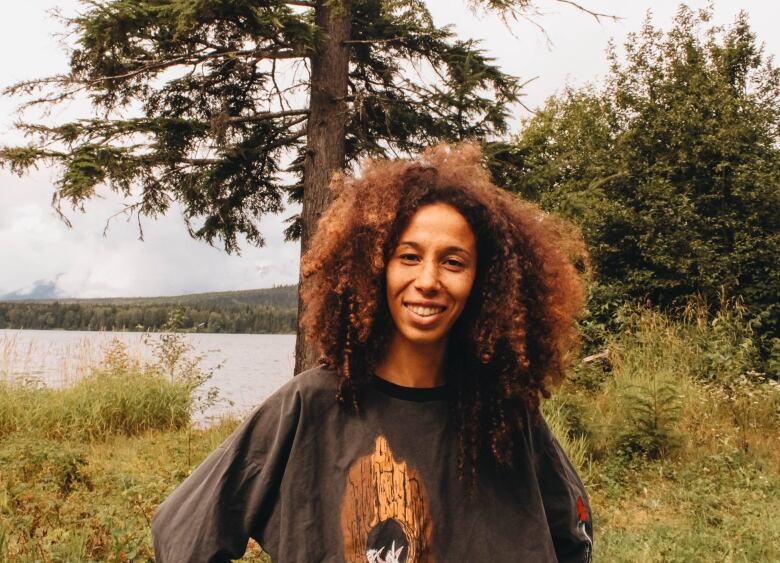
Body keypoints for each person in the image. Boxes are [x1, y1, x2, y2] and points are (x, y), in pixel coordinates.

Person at [152, 143, 593, 562]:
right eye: (408, 256)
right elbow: (183, 532)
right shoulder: (310, 406)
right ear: (374, 267)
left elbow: (573, 535)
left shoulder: (504, 415)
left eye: (454, 262)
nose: (428, 280)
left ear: (487, 283)